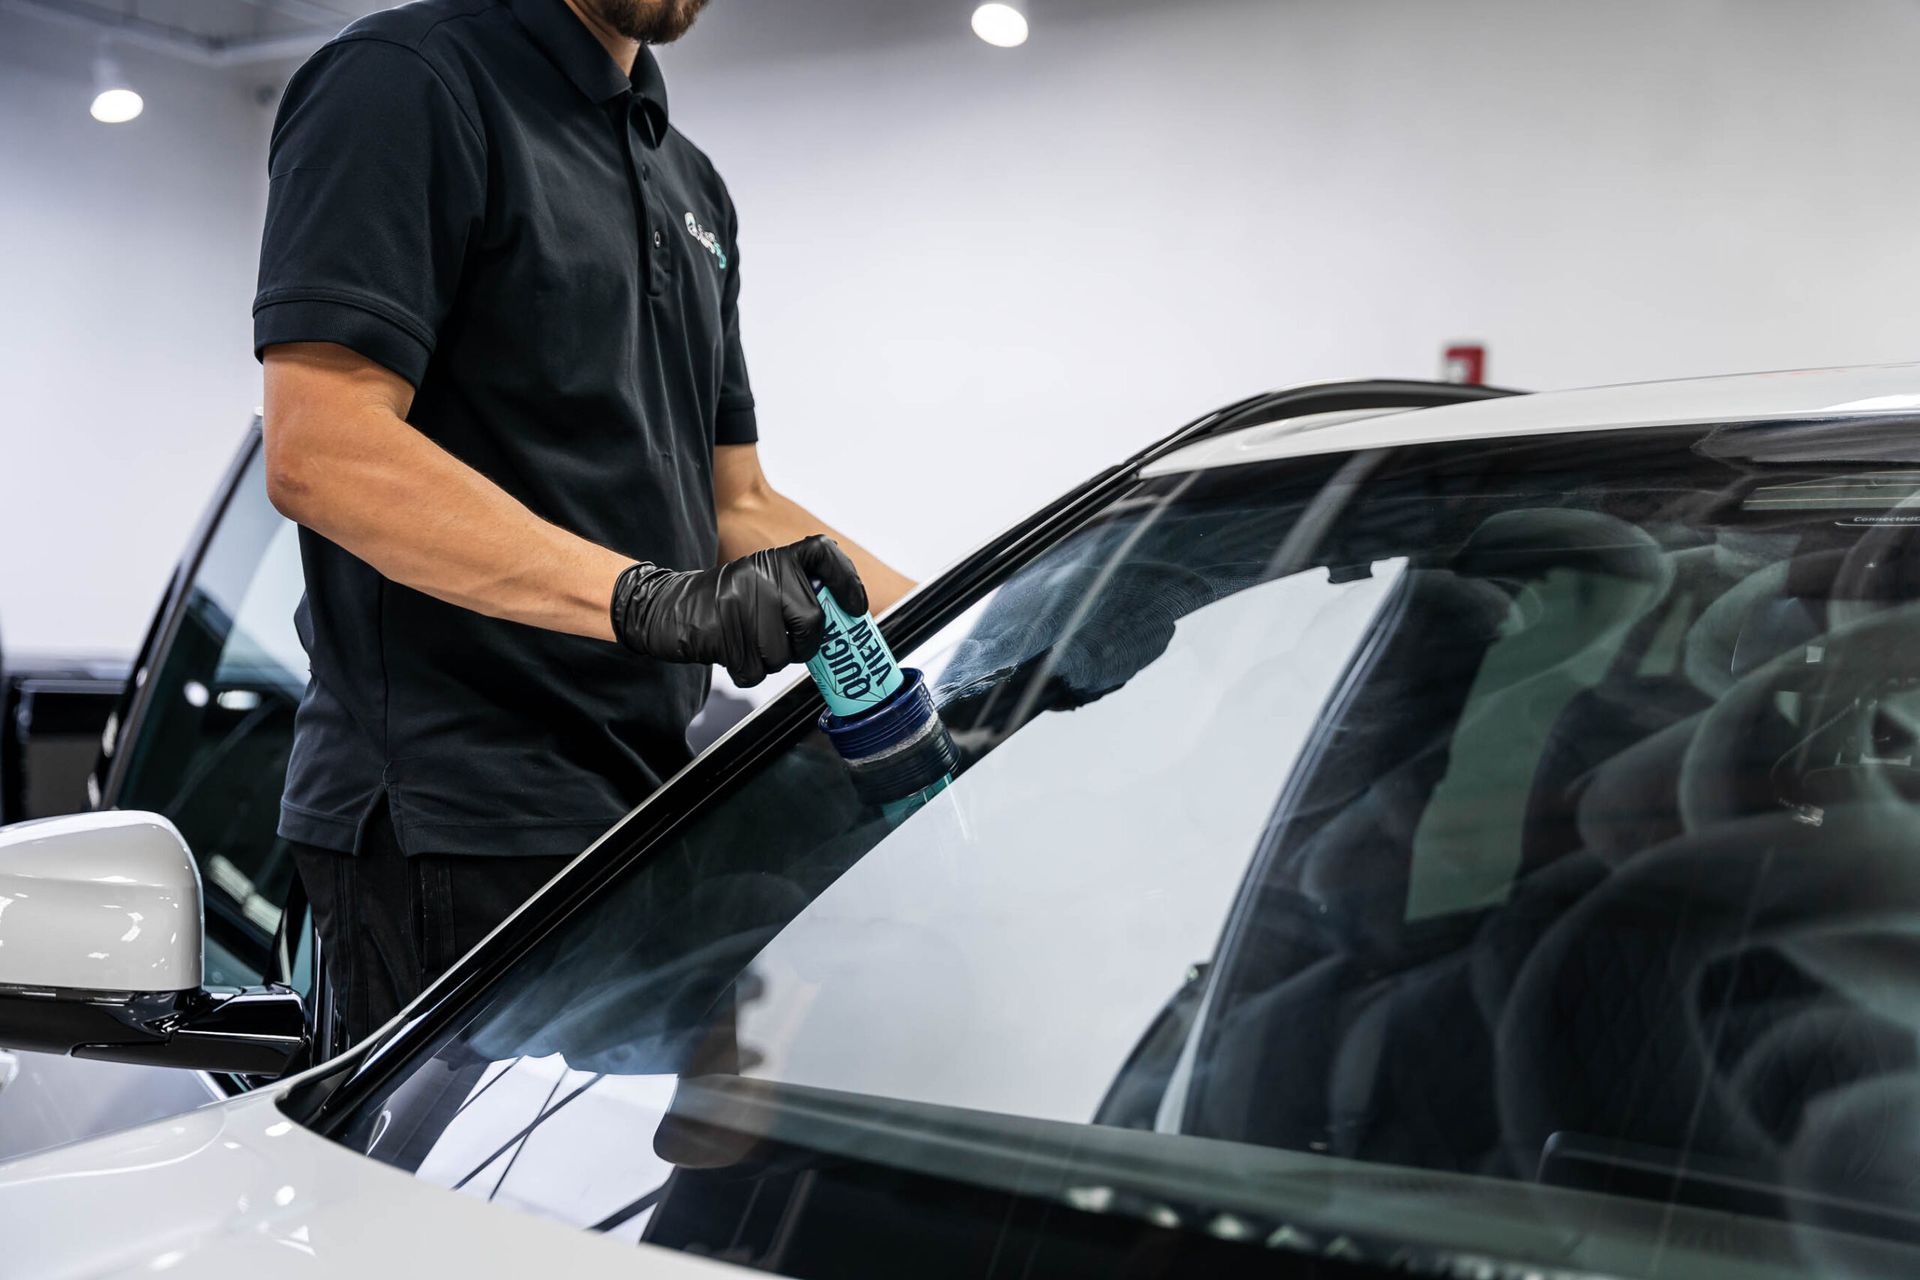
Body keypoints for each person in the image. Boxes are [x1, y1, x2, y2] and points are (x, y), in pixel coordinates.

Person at [252, 0, 913, 1045]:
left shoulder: (690, 183)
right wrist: (654, 601)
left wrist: (982, 624)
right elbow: (322, 448)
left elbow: (733, 502)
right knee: (438, 1206)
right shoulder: (408, 80)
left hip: (652, 809)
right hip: (459, 825)